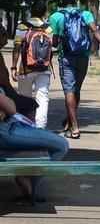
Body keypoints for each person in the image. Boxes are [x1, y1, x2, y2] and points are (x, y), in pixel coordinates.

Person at [0, 25, 69, 203]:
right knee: (61, 145)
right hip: (6, 129)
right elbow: (10, 107)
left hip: (9, 122)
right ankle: (28, 177)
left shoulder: (24, 28)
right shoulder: (47, 28)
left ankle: (27, 175)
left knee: (31, 106)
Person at [49, 0, 100, 139]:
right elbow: (95, 31)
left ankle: (75, 126)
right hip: (83, 56)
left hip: (67, 58)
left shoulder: (56, 17)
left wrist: (56, 41)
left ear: (61, 1)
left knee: (69, 90)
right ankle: (70, 122)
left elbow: (55, 41)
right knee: (77, 89)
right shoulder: (85, 14)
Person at [11, 0, 54, 129]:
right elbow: (51, 48)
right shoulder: (48, 28)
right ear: (44, 12)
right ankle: (41, 127)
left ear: (31, 11)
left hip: (26, 69)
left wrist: (13, 67)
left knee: (25, 98)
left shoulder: (23, 26)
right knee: (43, 98)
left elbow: (17, 47)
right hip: (44, 69)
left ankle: (26, 127)